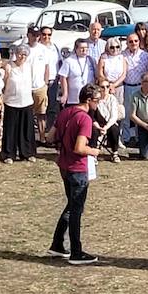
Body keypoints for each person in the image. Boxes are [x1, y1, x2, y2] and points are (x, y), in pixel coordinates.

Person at [49, 83, 100, 265]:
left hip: (64, 164)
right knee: (76, 210)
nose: (98, 104)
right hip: (77, 168)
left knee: (71, 206)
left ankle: (57, 244)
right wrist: (93, 151)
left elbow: (50, 136)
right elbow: (79, 147)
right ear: (88, 100)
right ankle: (76, 252)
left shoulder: (65, 113)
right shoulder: (84, 119)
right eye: (96, 100)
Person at [0, 44, 37, 163]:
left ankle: (27, 153)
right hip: (11, 102)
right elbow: (3, 84)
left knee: (26, 129)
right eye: (20, 54)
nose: (22, 56)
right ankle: (8, 154)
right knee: (10, 130)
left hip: (26, 102)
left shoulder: (29, 66)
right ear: (15, 54)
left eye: (25, 54)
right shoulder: (9, 67)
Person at [29, 25, 59, 144]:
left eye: (49, 35)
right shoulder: (29, 48)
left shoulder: (54, 47)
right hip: (35, 84)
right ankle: (32, 134)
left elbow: (56, 63)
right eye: (44, 34)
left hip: (50, 82)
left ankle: (47, 134)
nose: (46, 37)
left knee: (49, 109)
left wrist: (48, 82)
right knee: (34, 111)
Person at [120, 35, 148, 144]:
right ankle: (126, 138)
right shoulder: (122, 55)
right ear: (127, 43)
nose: (133, 43)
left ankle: (140, 138)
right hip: (127, 86)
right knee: (127, 114)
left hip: (140, 87)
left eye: (136, 41)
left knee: (140, 114)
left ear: (139, 42)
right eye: (131, 41)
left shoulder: (145, 55)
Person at [89, 81, 124, 161]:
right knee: (93, 130)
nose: (105, 89)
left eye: (107, 86)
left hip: (109, 123)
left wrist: (105, 127)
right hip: (97, 124)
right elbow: (92, 117)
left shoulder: (113, 99)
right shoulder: (94, 99)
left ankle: (115, 153)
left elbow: (114, 116)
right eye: (102, 87)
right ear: (98, 88)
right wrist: (99, 127)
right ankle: (93, 154)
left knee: (114, 128)